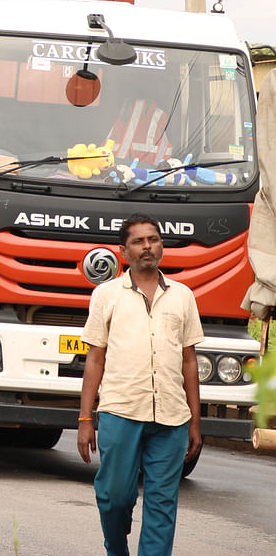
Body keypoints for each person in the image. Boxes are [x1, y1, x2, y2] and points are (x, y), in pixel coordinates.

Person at [77, 214, 203, 556]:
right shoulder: (107, 295)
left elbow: (189, 360)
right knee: (115, 496)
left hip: (172, 417)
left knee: (163, 503)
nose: (148, 247)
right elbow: (95, 359)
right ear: (123, 251)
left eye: (154, 239)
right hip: (120, 411)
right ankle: (116, 546)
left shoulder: (182, 295)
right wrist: (85, 419)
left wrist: (195, 420)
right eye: (138, 241)